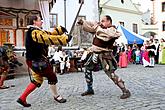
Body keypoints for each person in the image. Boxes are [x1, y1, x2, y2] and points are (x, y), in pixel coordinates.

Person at [17, 15, 72, 107]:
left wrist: (60, 30)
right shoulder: (34, 32)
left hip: (34, 60)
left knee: (38, 80)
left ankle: (22, 98)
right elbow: (47, 38)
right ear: (34, 21)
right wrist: (64, 39)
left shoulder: (37, 31)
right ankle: (56, 96)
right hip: (37, 61)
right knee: (52, 77)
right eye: (40, 20)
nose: (42, 21)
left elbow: (49, 34)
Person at [77, 15, 131, 99]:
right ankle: (90, 89)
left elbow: (104, 35)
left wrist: (97, 27)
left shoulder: (111, 30)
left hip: (105, 56)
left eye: (103, 21)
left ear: (109, 21)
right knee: (87, 69)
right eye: (101, 21)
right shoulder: (100, 28)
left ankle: (125, 90)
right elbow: (92, 26)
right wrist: (83, 22)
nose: (101, 22)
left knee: (111, 74)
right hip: (95, 54)